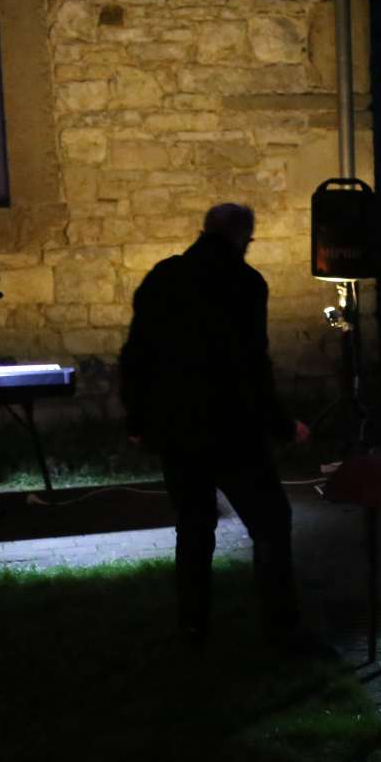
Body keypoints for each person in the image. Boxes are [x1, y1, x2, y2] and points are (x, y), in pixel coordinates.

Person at [119, 202, 318, 654]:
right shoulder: (246, 285)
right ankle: (281, 627)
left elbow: (137, 355)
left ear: (204, 231)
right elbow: (252, 365)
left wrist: (138, 418)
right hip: (233, 428)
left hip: (177, 426)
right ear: (241, 238)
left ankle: (192, 628)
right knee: (270, 523)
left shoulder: (163, 278)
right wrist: (282, 425)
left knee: (193, 526)